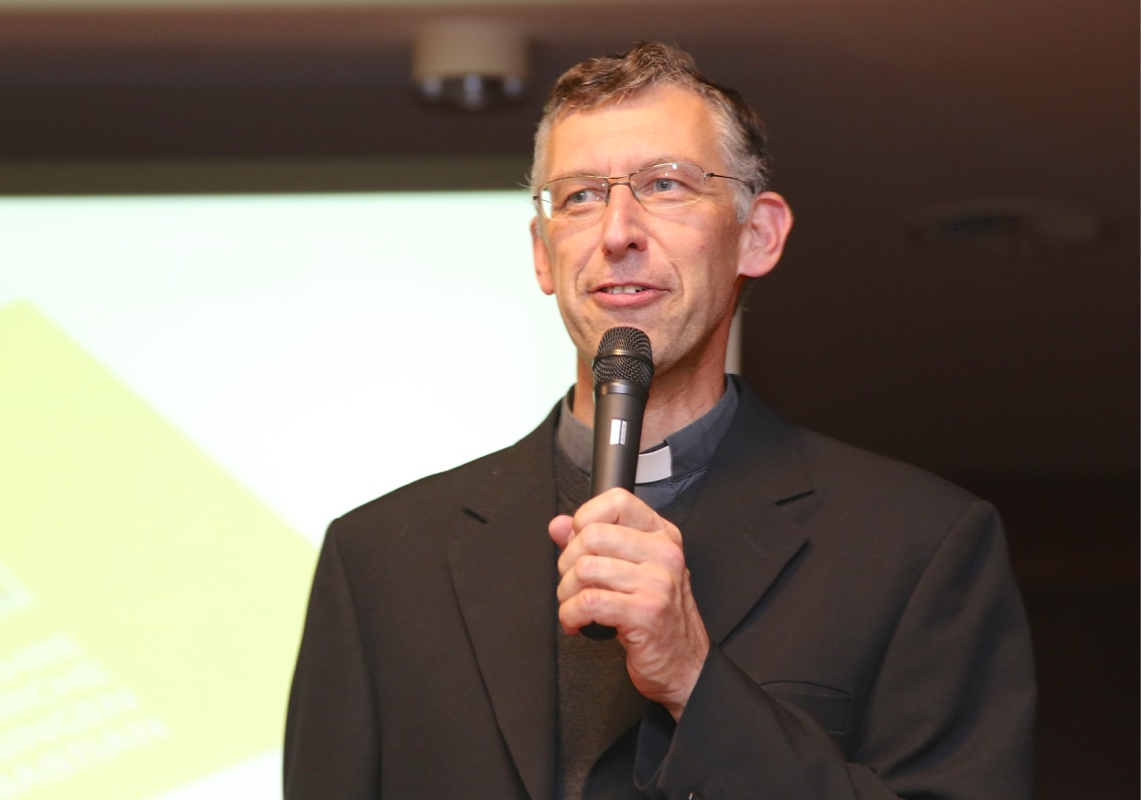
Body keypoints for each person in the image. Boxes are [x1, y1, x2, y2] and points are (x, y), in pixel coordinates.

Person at [283, 42, 1035, 799]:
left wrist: (694, 680)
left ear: (757, 235)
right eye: (580, 196)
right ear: (543, 254)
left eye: (665, 184)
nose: (617, 232)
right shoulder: (380, 559)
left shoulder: (915, 544)